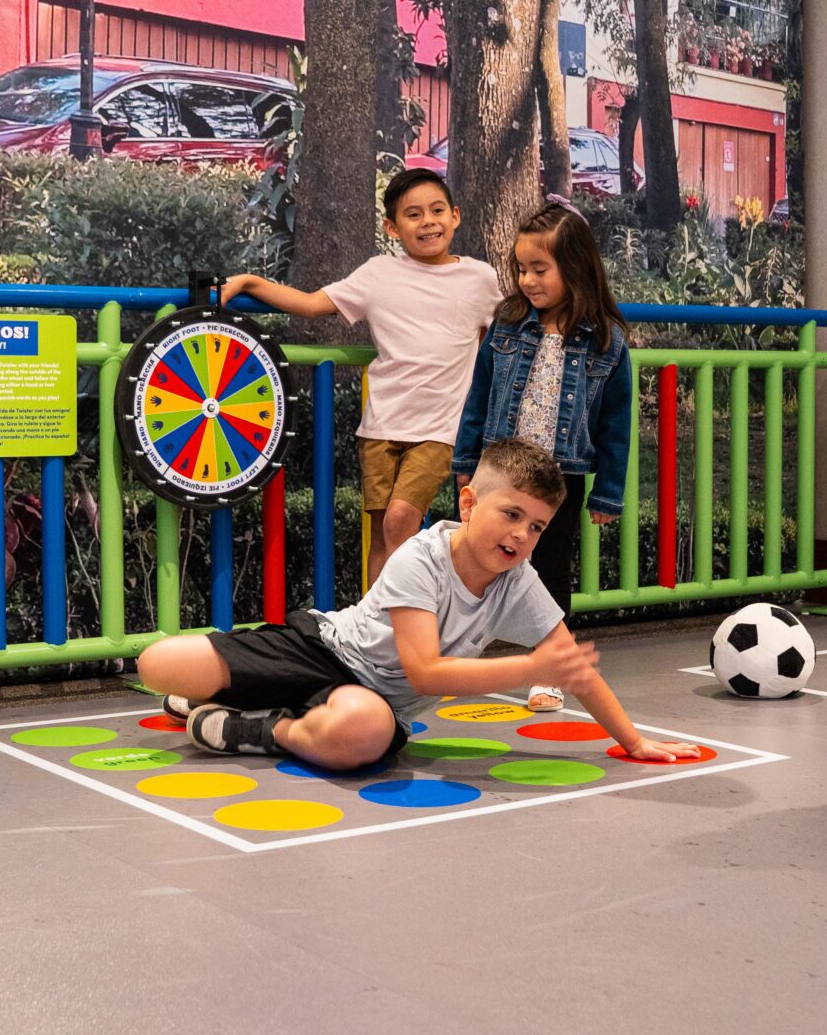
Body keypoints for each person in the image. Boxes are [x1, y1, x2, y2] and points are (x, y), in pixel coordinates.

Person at [138, 439, 700, 770]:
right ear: (468, 501)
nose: (521, 535)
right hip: (323, 649)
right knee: (157, 665)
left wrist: (634, 740)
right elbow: (426, 671)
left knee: (362, 734)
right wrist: (530, 668)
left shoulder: (517, 580)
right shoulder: (419, 557)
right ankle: (251, 692)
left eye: (536, 526)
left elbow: (575, 670)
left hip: (377, 703)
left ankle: (254, 729)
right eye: (511, 515)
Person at [224, 169, 501, 586]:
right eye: (413, 214)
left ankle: (409, 622)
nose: (428, 221)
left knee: (401, 519)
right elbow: (312, 304)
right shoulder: (378, 273)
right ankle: (378, 628)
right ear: (391, 227)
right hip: (381, 426)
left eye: (437, 210)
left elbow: (496, 342)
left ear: (456, 216)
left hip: (442, 429)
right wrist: (249, 281)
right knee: (381, 535)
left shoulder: (480, 278)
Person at [450, 201, 632, 712]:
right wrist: (467, 460)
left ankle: (549, 665)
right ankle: (453, 652)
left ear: (574, 267)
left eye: (539, 269)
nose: (528, 280)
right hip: (500, 472)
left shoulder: (606, 342)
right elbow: (479, 395)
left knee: (551, 568)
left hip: (561, 479)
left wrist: (610, 493)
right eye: (522, 269)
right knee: (472, 560)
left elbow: (618, 425)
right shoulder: (509, 325)